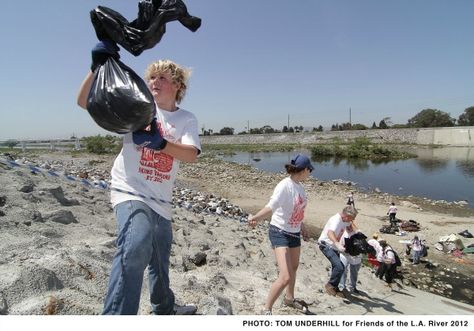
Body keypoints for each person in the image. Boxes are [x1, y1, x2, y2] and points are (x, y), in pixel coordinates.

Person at [77, 41, 201, 315]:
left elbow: (191, 154)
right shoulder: (137, 105)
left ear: (178, 86)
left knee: (159, 259)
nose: (154, 81)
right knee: (135, 245)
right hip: (129, 191)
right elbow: (85, 101)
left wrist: (161, 144)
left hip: (162, 201)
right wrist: (96, 68)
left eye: (162, 77)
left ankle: (164, 307)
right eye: (152, 77)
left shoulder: (185, 119)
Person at [248, 154, 313, 315]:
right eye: (309, 170)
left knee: (294, 267)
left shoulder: (300, 187)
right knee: (285, 276)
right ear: (304, 169)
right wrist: (255, 217)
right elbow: (272, 206)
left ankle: (289, 299)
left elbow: (297, 210)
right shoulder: (285, 185)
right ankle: (266, 309)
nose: (310, 173)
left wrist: (302, 227)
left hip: (294, 232)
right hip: (279, 232)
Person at [318, 205, 358, 298]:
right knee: (339, 266)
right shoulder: (336, 220)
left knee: (340, 267)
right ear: (346, 216)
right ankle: (330, 285)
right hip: (326, 245)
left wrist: (356, 232)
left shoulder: (346, 220)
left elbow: (350, 226)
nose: (351, 220)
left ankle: (335, 287)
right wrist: (337, 243)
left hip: (334, 247)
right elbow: (330, 232)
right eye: (351, 218)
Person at [338, 222, 362, 294]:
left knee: (354, 272)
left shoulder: (357, 233)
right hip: (344, 254)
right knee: (343, 269)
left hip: (355, 256)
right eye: (347, 226)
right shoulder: (342, 232)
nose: (348, 228)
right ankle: (342, 285)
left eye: (350, 226)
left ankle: (353, 286)